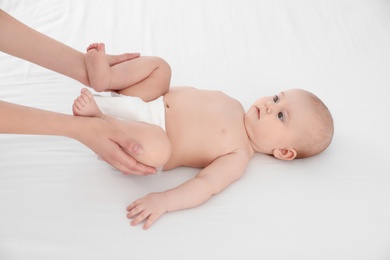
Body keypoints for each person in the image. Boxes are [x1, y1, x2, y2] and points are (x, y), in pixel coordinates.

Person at [72, 42, 334, 230]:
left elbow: (205, 185)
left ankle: (100, 119)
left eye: (280, 116)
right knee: (161, 69)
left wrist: (165, 201)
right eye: (277, 98)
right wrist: (139, 89)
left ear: (284, 151)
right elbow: (180, 92)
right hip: (144, 102)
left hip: (135, 137)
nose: (269, 105)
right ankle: (107, 79)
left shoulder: (238, 155)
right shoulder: (232, 103)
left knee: (159, 150)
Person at [0, 9, 157, 175]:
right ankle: (101, 116)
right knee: (156, 151)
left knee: (160, 68)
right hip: (158, 131)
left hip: (157, 112)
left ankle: (104, 78)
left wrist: (82, 66)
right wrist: (81, 128)